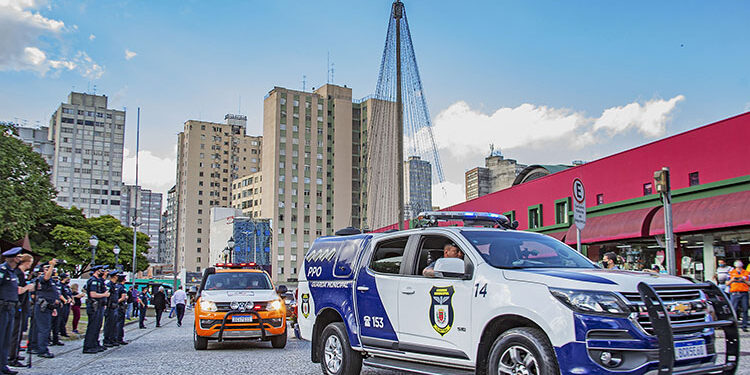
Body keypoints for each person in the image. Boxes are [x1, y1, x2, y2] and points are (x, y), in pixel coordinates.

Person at [0, 248, 24, 375]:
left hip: (11, 308)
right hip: (2, 308)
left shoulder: (13, 272)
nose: (21, 259)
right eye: (19, 257)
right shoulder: (2, 270)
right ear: (14, 258)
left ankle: (3, 365)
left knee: (6, 339)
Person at [8, 253, 34, 368]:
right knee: (15, 332)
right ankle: (11, 357)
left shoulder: (21, 274)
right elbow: (18, 290)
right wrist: (27, 288)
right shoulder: (17, 273)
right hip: (16, 305)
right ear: (27, 262)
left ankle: (15, 353)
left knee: (18, 332)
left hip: (22, 306)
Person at [32, 259, 60, 359]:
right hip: (43, 307)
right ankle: (42, 350)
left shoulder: (51, 281)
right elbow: (46, 277)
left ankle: (37, 347)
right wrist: (51, 264)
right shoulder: (42, 278)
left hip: (49, 307)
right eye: (47, 268)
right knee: (44, 329)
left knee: (45, 328)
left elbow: (52, 294)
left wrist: (54, 308)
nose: (50, 270)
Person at [83, 265, 110, 354]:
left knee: (97, 326)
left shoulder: (98, 280)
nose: (102, 272)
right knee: (92, 326)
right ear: (96, 271)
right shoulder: (93, 281)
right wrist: (104, 295)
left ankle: (94, 344)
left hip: (99, 305)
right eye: (101, 270)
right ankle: (88, 346)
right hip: (94, 305)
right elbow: (93, 294)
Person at [727, 260, 749, 332]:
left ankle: (744, 326)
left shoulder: (746, 273)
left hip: (744, 292)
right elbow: (727, 283)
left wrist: (743, 280)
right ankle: (734, 326)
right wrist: (732, 280)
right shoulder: (731, 273)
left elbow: (749, 283)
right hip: (734, 293)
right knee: (733, 310)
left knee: (745, 309)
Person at [103, 271, 121, 346]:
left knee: (114, 324)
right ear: (114, 276)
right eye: (117, 276)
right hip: (110, 307)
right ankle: (107, 340)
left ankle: (112, 339)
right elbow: (106, 295)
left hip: (115, 306)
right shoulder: (109, 285)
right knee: (109, 324)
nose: (117, 277)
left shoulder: (115, 285)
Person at [58, 273, 72, 338]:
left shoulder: (67, 286)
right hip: (62, 304)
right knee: (61, 318)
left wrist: (71, 299)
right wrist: (65, 300)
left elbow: (68, 294)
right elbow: (59, 294)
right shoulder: (60, 285)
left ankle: (63, 331)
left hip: (67, 304)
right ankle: (60, 331)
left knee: (65, 317)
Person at [115, 274, 128, 345]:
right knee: (120, 323)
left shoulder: (116, 286)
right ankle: (119, 338)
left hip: (116, 307)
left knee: (116, 322)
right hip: (120, 307)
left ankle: (116, 337)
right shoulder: (122, 288)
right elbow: (123, 298)